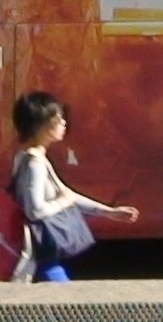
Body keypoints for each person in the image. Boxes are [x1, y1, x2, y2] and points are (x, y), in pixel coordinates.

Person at [10, 92, 139, 283]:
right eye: (58, 119)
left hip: (42, 252)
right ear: (42, 125)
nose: (64, 123)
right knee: (62, 301)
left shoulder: (28, 157)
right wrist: (63, 202)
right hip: (40, 251)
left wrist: (108, 211)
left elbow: (68, 194)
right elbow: (35, 210)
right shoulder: (34, 163)